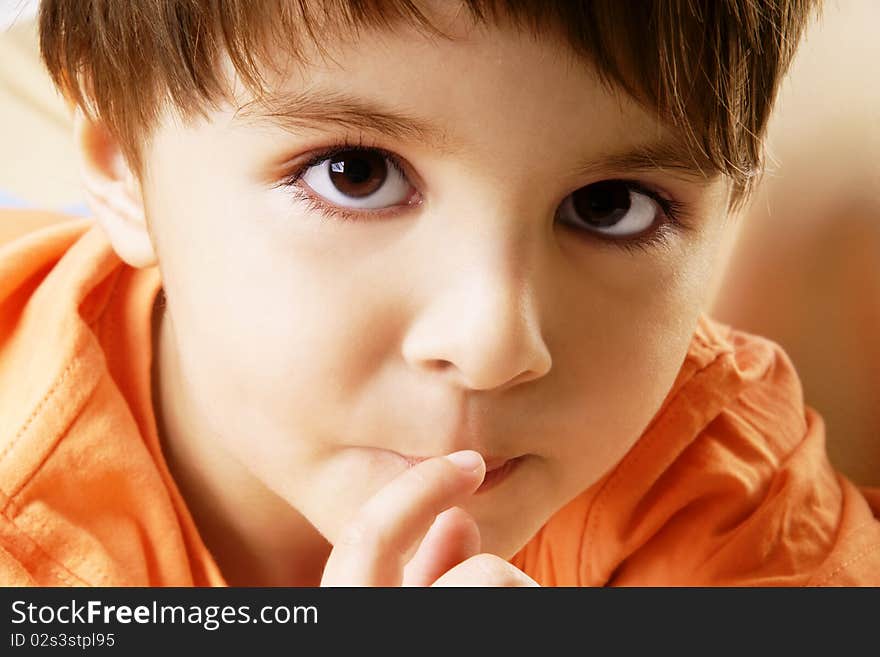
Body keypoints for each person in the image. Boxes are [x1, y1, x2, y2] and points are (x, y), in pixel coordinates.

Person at [1, 0, 877, 587]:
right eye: (357, 173)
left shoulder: (717, 480)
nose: (495, 341)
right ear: (123, 171)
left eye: (610, 205)